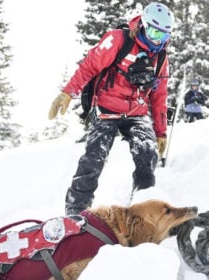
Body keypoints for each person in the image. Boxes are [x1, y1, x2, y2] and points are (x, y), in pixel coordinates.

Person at [48, 2, 174, 215]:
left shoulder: (161, 58)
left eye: (162, 36)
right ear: (143, 25)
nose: (156, 40)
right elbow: (89, 66)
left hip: (136, 112)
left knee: (146, 151)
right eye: (153, 32)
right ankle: (76, 210)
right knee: (95, 156)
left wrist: (160, 132)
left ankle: (143, 202)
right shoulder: (118, 40)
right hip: (107, 107)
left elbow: (159, 96)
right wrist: (68, 92)